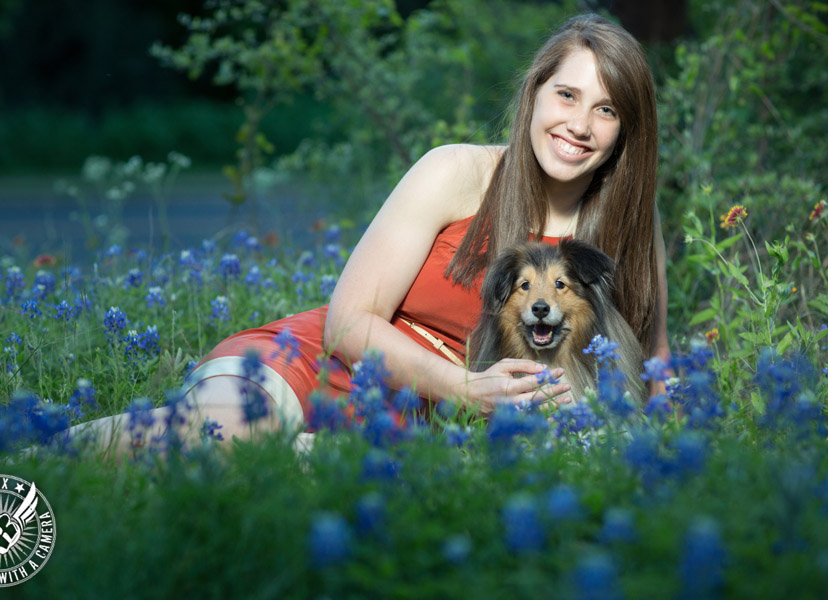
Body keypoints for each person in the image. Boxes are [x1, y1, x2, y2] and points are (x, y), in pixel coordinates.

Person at [69, 13, 670, 455]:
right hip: (324, 367)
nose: (579, 124)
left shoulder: (628, 229)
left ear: (625, 130)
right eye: (567, 94)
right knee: (224, 433)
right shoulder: (457, 172)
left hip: (427, 429)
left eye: (607, 109)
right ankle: (21, 459)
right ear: (535, 93)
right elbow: (347, 322)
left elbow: (653, 365)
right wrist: (466, 388)